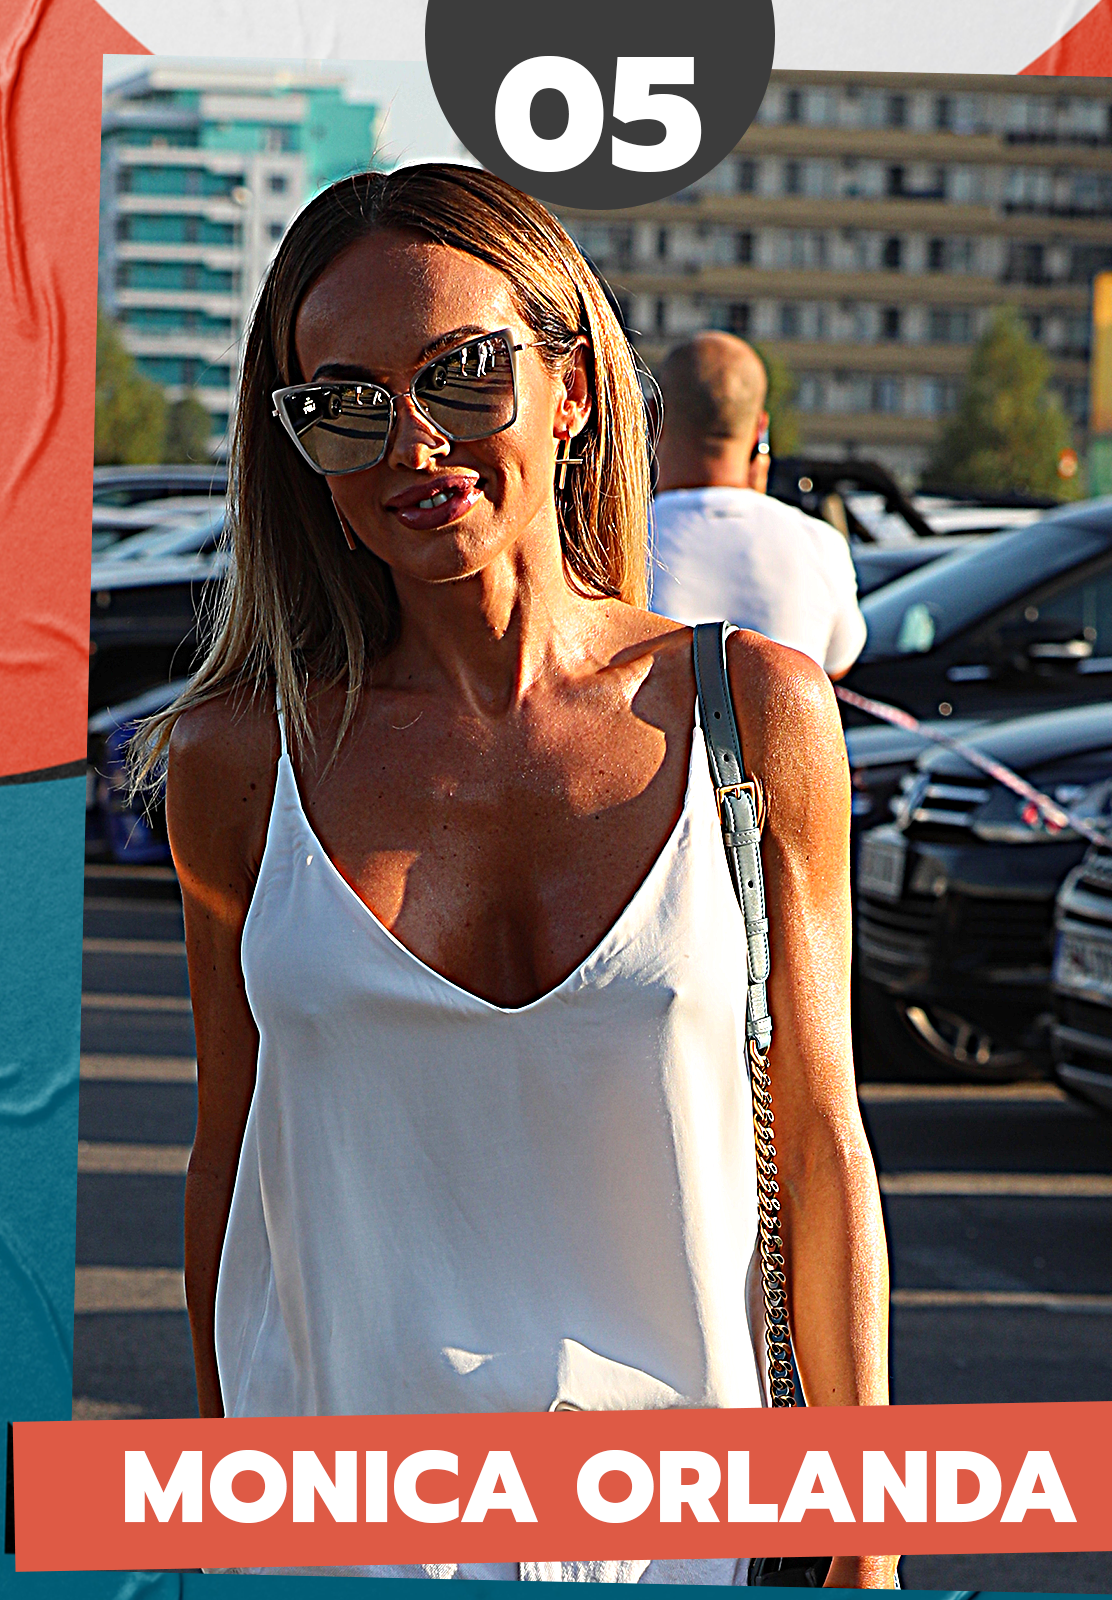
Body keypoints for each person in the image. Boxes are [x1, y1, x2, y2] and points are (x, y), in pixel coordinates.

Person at [133, 163, 896, 1588]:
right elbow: (230, 1156)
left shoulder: (753, 715)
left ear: (574, 387)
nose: (413, 442)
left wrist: (869, 1549)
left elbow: (819, 1141)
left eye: (463, 373)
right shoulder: (241, 759)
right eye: (344, 403)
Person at [649, 332, 868, 679]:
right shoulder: (820, 543)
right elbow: (837, 666)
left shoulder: (607, 542)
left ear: (652, 415)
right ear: (761, 429)